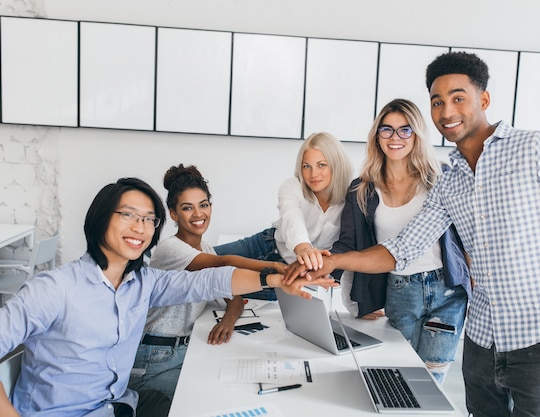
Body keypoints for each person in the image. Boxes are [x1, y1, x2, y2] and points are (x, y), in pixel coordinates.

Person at [286, 51, 540, 417]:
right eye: (437, 102)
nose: (447, 112)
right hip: (481, 339)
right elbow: (402, 249)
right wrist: (328, 262)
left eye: (458, 98)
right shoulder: (451, 180)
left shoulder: (536, 149)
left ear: (484, 99)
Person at [0, 177, 336, 417]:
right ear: (100, 219)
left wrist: (278, 279)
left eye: (148, 219)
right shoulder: (54, 288)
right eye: (128, 215)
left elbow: (209, 281)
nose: (140, 226)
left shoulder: (143, 283)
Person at [330, 98, 470, 383]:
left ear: (417, 135)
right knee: (400, 376)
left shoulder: (440, 177)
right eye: (387, 130)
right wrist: (324, 274)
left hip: (446, 292)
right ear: (377, 135)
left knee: (431, 381)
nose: (396, 138)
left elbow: (468, 236)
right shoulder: (362, 189)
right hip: (399, 291)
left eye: (405, 130)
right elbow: (347, 245)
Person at [129, 165, 286, 402]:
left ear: (211, 206)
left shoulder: (205, 248)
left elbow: (233, 295)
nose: (198, 214)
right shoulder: (170, 249)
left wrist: (228, 320)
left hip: (183, 349)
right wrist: (274, 267)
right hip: (156, 356)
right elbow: (222, 263)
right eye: (187, 208)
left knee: (237, 386)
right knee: (214, 398)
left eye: (203, 205)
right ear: (173, 214)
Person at [214, 131, 353, 300]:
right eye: (306, 166)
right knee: (200, 263)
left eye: (321, 165)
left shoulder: (351, 198)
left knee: (218, 288)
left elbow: (352, 248)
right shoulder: (292, 186)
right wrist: (304, 248)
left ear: (336, 165)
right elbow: (291, 219)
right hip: (266, 245)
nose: (313, 174)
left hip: (291, 274)